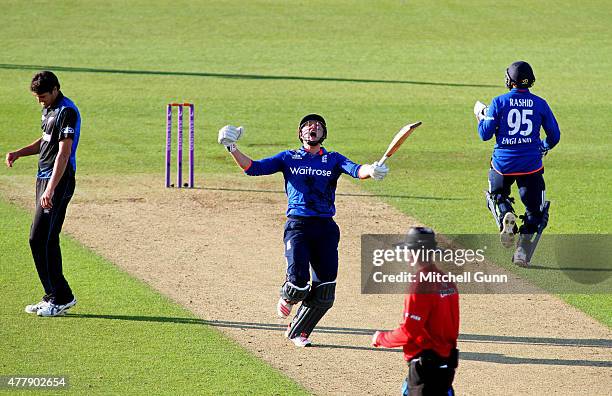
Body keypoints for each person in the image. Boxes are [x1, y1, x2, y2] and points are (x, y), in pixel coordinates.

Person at [218, 114, 389, 347]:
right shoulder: (288, 158)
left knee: (325, 291)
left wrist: (373, 169)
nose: (313, 127)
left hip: (326, 228)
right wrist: (232, 147)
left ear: (323, 134)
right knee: (298, 283)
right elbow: (253, 168)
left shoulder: (333, 159)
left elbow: (357, 170)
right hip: (298, 225)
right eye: (308, 125)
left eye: (318, 126)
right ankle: (289, 295)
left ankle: (299, 331)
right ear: (300, 134)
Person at [5, 71, 81, 317]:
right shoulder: (48, 110)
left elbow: (63, 152)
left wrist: (50, 188)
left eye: (44, 96)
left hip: (58, 181)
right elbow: (46, 141)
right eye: (37, 97)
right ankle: (54, 295)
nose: (40, 101)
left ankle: (62, 297)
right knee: (42, 239)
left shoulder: (67, 111)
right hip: (44, 178)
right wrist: (19, 152)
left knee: (41, 238)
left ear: (56, 89)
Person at [474, 61, 560, 266]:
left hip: (502, 165)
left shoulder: (498, 102)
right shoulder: (540, 104)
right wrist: (543, 147)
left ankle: (505, 214)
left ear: (509, 81)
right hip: (531, 165)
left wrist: (481, 117)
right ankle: (522, 251)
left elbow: (485, 135)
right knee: (536, 212)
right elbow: (554, 136)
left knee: (496, 196)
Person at [371, 227, 459, 396]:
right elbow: (452, 328)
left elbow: (409, 331)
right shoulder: (446, 281)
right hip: (446, 367)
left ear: (412, 254)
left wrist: (380, 338)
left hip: (426, 369)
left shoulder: (421, 284)